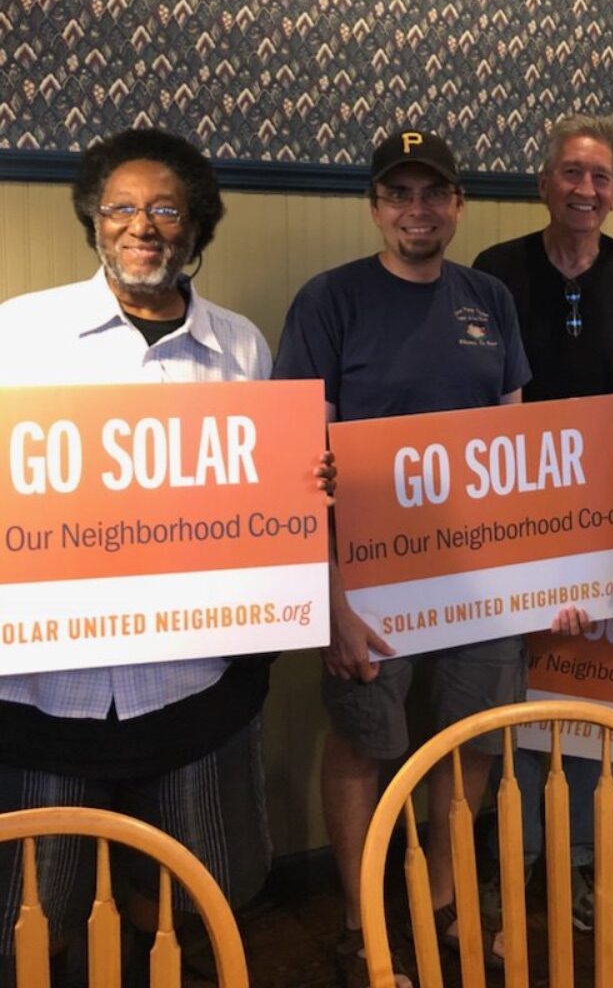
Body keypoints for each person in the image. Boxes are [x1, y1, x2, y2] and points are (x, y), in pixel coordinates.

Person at [0, 129, 329, 984]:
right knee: (34, 914)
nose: (142, 225)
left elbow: (267, 495)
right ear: (93, 219)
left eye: (164, 209)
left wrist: (305, 482)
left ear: (195, 226)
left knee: (189, 900)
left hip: (194, 685)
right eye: (121, 207)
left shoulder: (243, 349)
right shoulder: (20, 334)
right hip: (48, 695)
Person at [272, 129, 531, 988]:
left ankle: (447, 903)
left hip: (479, 580)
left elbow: (513, 447)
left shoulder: (488, 296)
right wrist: (331, 599)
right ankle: (357, 921)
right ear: (376, 207)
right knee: (363, 746)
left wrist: (535, 576)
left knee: (472, 741)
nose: (417, 211)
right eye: (399, 195)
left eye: (434, 194)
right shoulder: (330, 300)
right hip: (370, 582)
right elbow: (296, 465)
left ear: (458, 204)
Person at [474, 114, 613, 929]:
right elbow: (479, 404)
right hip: (514, 530)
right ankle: (510, 864)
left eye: (599, 177)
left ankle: (580, 862)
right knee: (512, 689)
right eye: (570, 173)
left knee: (590, 695)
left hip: (612, 524)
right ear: (543, 184)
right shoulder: (496, 271)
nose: (584, 189)